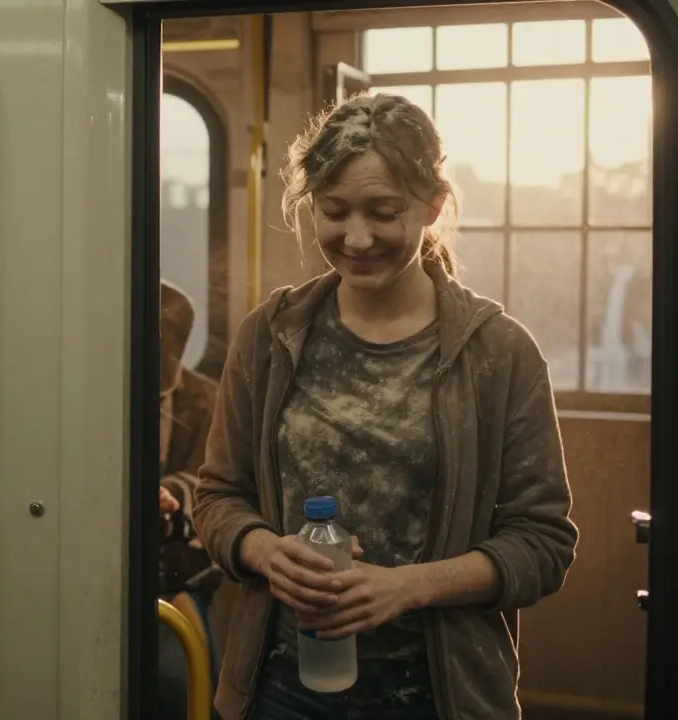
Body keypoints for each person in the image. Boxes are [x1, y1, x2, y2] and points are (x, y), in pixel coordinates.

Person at [192, 93, 578, 720]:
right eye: (334, 212)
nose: (358, 237)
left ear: (432, 204)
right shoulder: (270, 337)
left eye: (383, 212)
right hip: (280, 689)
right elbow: (218, 497)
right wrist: (264, 551)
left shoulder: (499, 353)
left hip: (438, 694)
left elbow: (542, 544)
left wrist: (406, 588)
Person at [155, 280, 221, 720]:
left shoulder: (209, 399)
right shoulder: (91, 391)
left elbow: (213, 477)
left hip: (183, 566)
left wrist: (168, 494)